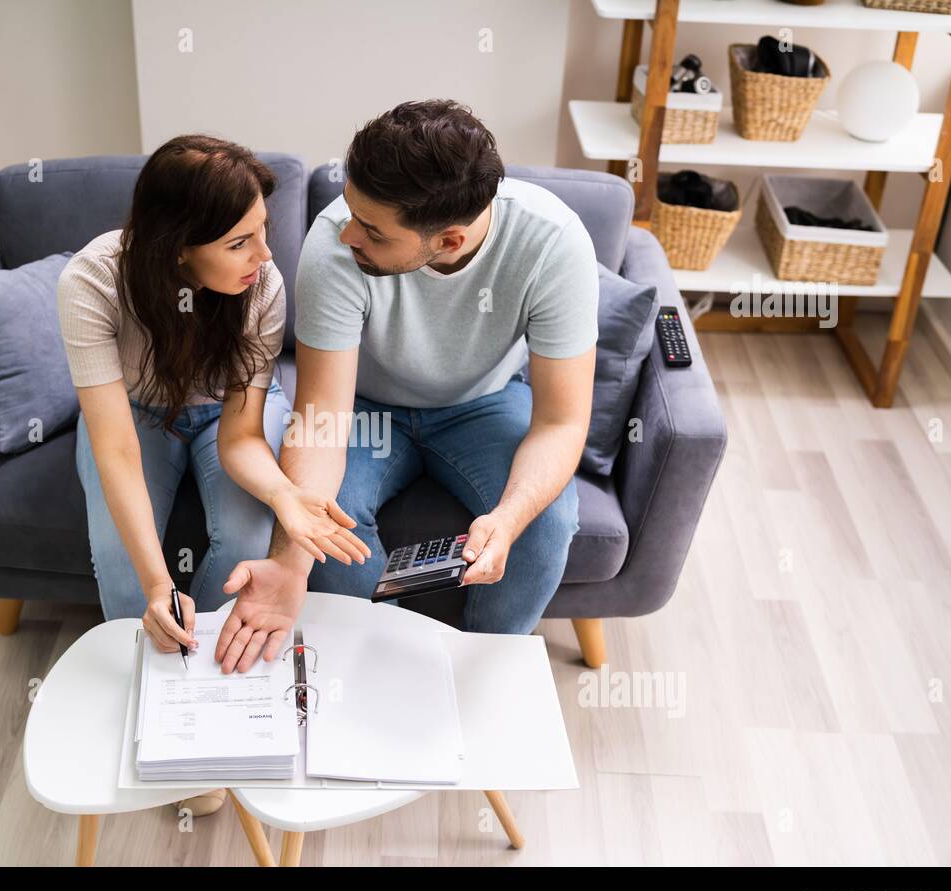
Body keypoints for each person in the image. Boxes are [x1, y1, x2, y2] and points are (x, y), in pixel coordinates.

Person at [213, 101, 598, 674]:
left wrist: (508, 517)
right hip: (365, 409)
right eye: (351, 210)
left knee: (544, 526)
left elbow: (562, 422)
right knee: (329, 531)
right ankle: (379, 675)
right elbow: (322, 416)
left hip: (484, 403)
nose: (347, 233)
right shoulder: (336, 244)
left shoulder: (553, 244)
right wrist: (290, 561)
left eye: (371, 230)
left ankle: (478, 676)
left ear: (447, 241)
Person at [59, 135, 368, 815]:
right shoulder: (91, 281)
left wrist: (288, 494)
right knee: (117, 560)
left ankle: (218, 696)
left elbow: (239, 437)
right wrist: (156, 586)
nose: (264, 256)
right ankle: (163, 707)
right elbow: (113, 449)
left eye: (264, 232)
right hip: (133, 416)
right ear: (176, 246)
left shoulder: (262, 289)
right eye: (238, 243)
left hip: (227, 423)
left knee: (246, 538)